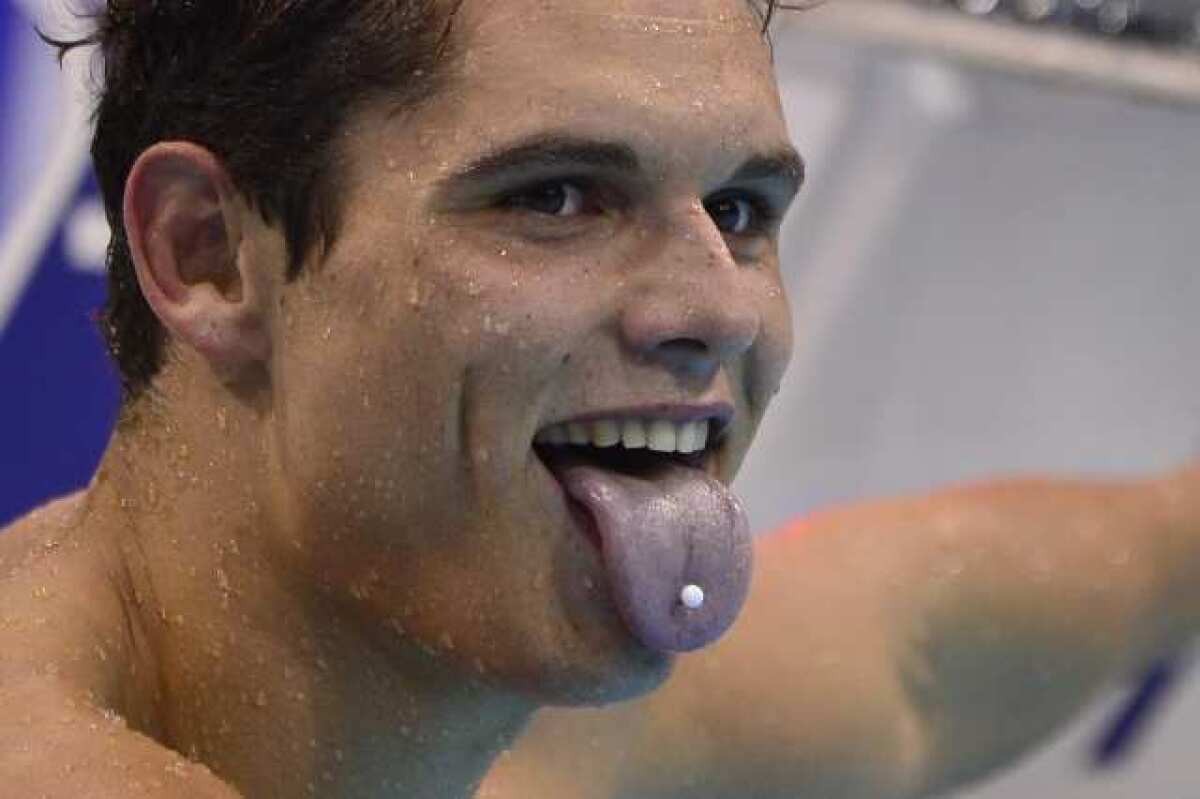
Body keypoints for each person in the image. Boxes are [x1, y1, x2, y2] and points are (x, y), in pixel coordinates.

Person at [0, 0, 1196, 796]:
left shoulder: (465, 687)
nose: (718, 309)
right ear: (207, 252)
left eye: (738, 212)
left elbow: (920, 653)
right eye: (559, 197)